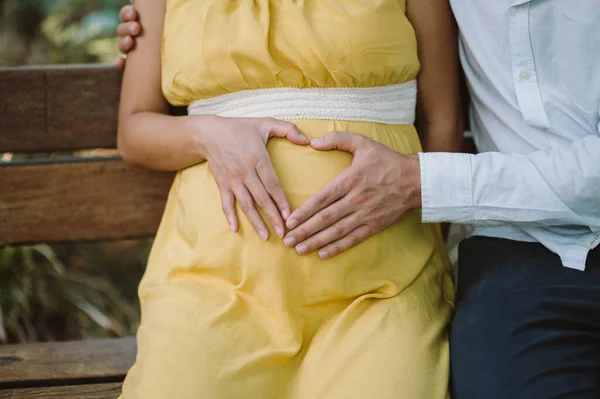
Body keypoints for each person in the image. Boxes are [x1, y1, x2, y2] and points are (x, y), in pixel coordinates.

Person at [120, 0, 600, 398]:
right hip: (215, 277)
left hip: (381, 284)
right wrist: (205, 134)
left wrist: (418, 242)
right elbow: (134, 129)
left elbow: (441, 121)